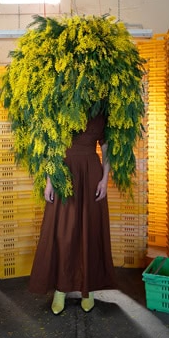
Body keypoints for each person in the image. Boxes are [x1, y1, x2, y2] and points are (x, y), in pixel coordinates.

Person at [28, 113, 117, 314]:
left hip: (90, 173)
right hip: (64, 172)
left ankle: (89, 290)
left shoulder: (102, 110)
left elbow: (106, 147)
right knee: (63, 232)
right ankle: (60, 289)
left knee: (90, 230)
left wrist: (104, 179)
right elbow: (52, 147)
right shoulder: (62, 105)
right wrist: (49, 181)